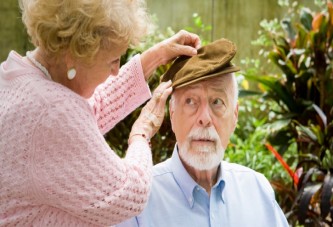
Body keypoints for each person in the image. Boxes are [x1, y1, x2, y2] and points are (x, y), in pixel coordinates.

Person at [0, 0, 201, 226]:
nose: (116, 70)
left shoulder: (16, 77)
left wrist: (155, 57)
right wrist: (142, 133)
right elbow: (129, 194)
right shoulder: (53, 111)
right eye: (113, 60)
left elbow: (87, 115)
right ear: (77, 53)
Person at [117, 38, 289, 227]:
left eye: (217, 102)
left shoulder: (257, 190)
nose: (205, 118)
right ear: (172, 114)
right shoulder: (137, 203)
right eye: (190, 101)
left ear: (235, 115)